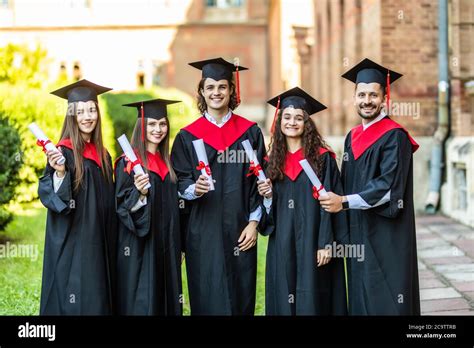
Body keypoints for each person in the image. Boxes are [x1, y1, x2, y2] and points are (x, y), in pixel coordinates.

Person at [319, 58, 421, 315]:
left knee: (386, 295)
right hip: (357, 232)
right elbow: (343, 183)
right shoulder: (352, 136)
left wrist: (343, 201)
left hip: (386, 233)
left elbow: (387, 188)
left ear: (384, 98)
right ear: (354, 98)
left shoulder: (395, 136)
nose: (367, 100)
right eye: (361, 94)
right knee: (360, 294)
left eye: (373, 95)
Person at [171, 57, 266, 315]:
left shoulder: (250, 133)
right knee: (206, 291)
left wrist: (254, 223)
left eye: (222, 86)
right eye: (210, 87)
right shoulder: (187, 136)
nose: (216, 92)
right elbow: (178, 181)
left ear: (231, 90)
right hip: (202, 231)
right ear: (202, 91)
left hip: (240, 229)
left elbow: (261, 181)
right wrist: (194, 188)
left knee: (240, 292)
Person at [257, 87, 348, 315]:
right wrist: (267, 198)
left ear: (307, 123)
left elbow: (331, 204)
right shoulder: (272, 163)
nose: (292, 122)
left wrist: (326, 243)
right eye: (286, 117)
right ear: (279, 122)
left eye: (299, 118)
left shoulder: (323, 159)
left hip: (315, 240)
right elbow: (267, 217)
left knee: (314, 295)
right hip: (282, 242)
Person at [38, 79, 116, 315]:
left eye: (92, 109)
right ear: (71, 116)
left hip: (101, 238)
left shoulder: (104, 155)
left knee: (98, 292)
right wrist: (60, 173)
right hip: (74, 239)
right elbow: (50, 196)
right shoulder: (62, 152)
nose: (87, 116)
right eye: (80, 112)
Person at [114, 98, 183, 315]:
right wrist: (140, 193)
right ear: (141, 127)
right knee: (143, 298)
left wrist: (180, 245)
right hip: (140, 247)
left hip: (168, 245)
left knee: (167, 295)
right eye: (151, 124)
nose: (158, 129)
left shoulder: (169, 165)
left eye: (162, 124)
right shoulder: (127, 164)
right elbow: (121, 207)